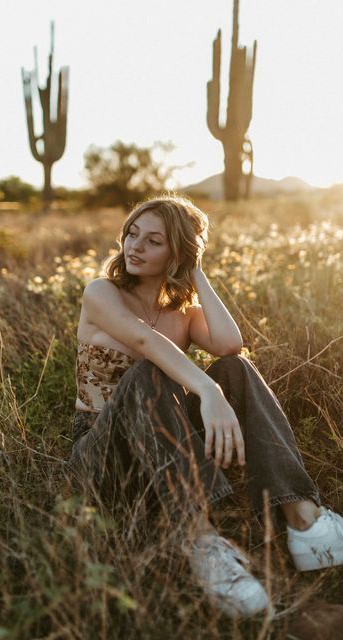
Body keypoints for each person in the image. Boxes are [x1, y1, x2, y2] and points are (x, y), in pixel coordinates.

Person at [67, 194, 343, 619]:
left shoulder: (182, 312)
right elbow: (145, 344)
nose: (134, 247)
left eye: (154, 241)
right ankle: (200, 540)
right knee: (148, 372)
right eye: (132, 234)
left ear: (178, 252)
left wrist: (197, 272)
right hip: (103, 455)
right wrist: (208, 394)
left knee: (235, 368)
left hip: (162, 453)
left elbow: (231, 344)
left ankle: (304, 520)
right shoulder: (101, 292)